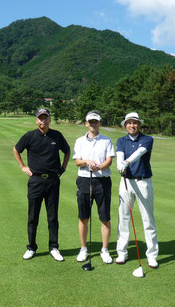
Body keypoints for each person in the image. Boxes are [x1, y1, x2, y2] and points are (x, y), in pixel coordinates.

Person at [13, 108, 71, 261]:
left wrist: (63, 168)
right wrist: (23, 167)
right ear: (36, 120)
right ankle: (31, 247)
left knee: (52, 217)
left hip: (52, 180)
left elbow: (67, 151)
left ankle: (54, 247)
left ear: (49, 120)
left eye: (45, 118)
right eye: (40, 118)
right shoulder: (29, 136)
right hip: (36, 181)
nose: (43, 121)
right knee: (33, 217)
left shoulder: (56, 135)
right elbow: (16, 149)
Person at [115, 112, 159, 269]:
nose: (132, 125)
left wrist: (126, 162)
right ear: (125, 125)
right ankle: (122, 252)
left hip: (143, 182)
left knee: (148, 220)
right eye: (129, 123)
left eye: (135, 123)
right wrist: (120, 163)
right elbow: (119, 154)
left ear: (139, 125)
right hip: (126, 182)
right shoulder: (121, 140)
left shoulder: (147, 139)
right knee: (123, 218)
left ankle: (152, 255)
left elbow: (140, 153)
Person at [73, 110, 115, 264]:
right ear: (86, 123)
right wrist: (86, 162)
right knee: (83, 216)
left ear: (100, 123)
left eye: (95, 121)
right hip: (84, 180)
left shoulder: (107, 140)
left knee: (104, 217)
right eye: (90, 122)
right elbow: (77, 161)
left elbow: (109, 161)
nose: (93, 124)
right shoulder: (79, 141)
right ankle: (83, 249)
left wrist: (99, 168)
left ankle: (104, 250)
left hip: (102, 181)